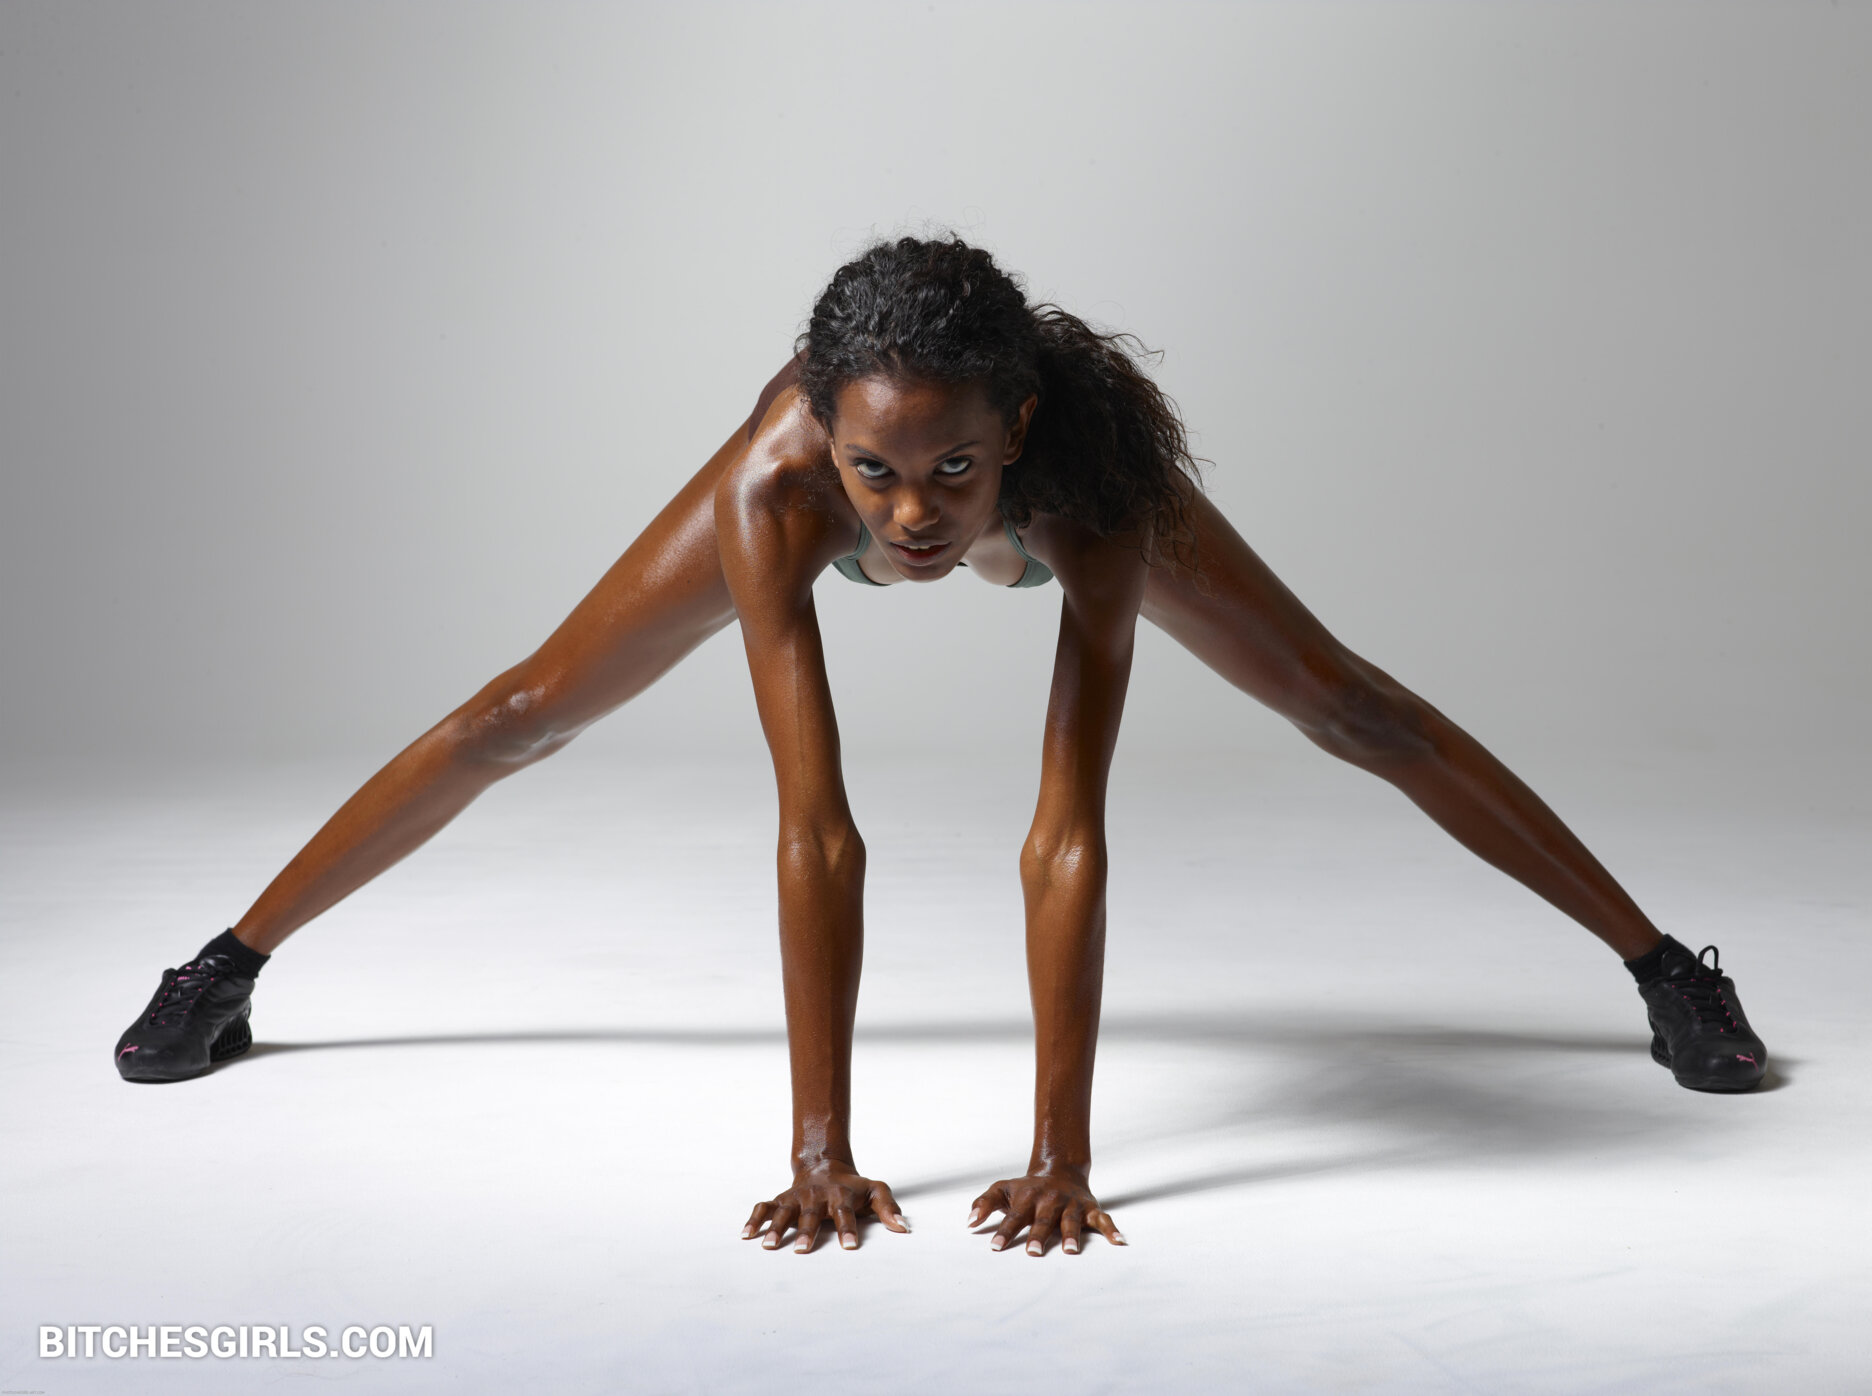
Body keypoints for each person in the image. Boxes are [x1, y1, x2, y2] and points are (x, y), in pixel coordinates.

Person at [113, 235, 1768, 1257]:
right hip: (827, 496)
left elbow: (1067, 828)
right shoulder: (781, 488)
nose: (912, 519)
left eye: (952, 473)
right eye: (878, 474)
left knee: (1352, 708)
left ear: (1015, 431)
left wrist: (1063, 1160)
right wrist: (819, 1153)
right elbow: (817, 827)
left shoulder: (1085, 490)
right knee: (522, 714)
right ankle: (228, 965)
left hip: (1069, 506)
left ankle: (1666, 971)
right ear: (825, 437)